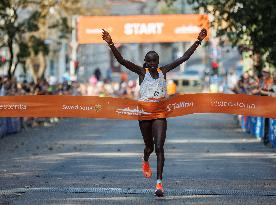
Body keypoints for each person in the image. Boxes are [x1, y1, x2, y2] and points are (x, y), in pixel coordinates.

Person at [102, 28, 207, 197]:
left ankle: (159, 184)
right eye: (150, 61)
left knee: (159, 147)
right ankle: (145, 160)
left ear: (158, 61)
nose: (153, 64)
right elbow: (121, 60)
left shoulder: (163, 71)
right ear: (146, 62)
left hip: (159, 113)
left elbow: (184, 57)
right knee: (149, 147)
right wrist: (111, 43)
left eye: (155, 61)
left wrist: (198, 40)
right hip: (144, 114)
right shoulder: (141, 72)